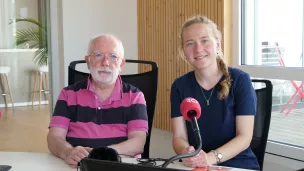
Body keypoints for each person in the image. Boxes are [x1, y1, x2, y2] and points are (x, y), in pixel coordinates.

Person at [170, 16, 260, 170]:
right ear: (184, 52)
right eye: (190, 44)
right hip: (198, 167)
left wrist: (210, 158)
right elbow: (179, 138)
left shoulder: (240, 80)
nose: (198, 49)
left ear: (218, 45)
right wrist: (186, 152)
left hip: (238, 165)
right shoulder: (179, 86)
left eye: (204, 40)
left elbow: (244, 137)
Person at [47, 34, 148, 168]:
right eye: (98, 55)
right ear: (88, 61)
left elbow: (138, 142)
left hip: (119, 165)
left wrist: (100, 155)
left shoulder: (135, 96)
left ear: (121, 64)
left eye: (113, 56)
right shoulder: (68, 94)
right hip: (76, 165)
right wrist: (67, 152)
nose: (105, 62)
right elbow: (54, 138)